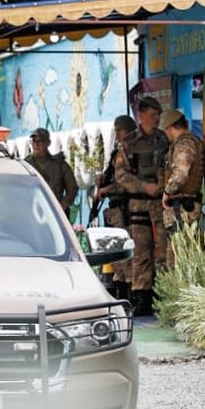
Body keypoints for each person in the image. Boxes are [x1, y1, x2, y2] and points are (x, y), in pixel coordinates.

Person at [114, 95, 169, 316]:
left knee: (164, 251)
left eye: (158, 115)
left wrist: (161, 185)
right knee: (140, 252)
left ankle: (163, 294)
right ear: (141, 115)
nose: (156, 119)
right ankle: (141, 297)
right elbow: (120, 174)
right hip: (138, 204)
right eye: (153, 115)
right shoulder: (128, 143)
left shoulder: (164, 140)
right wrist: (143, 186)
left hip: (160, 204)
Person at [89, 113, 137, 298]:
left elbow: (128, 183)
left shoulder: (131, 152)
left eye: (120, 131)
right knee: (115, 254)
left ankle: (130, 290)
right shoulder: (118, 152)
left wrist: (107, 189)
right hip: (114, 210)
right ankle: (120, 285)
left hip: (125, 209)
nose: (117, 135)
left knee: (125, 252)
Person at [161, 108, 205, 268]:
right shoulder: (192, 141)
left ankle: (180, 292)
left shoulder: (184, 144)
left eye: (166, 130)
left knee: (178, 260)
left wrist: (167, 192)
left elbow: (180, 174)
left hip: (182, 209)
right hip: (185, 206)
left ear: (171, 128)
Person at [27, 127, 78, 216]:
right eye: (34, 141)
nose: (36, 145)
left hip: (56, 214)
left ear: (48, 143)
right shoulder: (26, 165)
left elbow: (72, 188)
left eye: (40, 141)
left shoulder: (60, 165)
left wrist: (61, 206)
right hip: (33, 213)